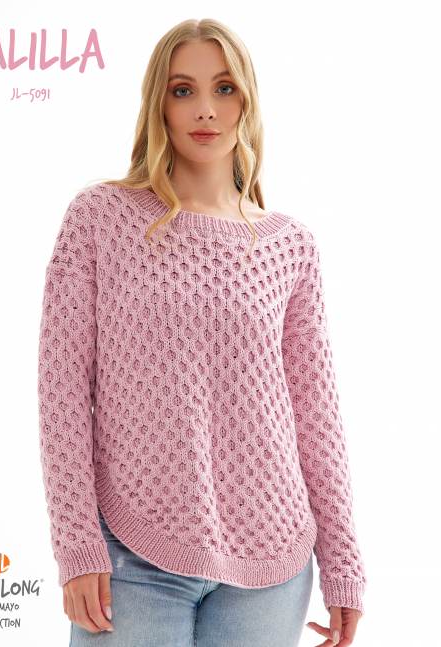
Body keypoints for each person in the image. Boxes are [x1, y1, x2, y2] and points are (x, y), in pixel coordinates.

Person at [37, 17, 367, 647]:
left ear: (247, 101)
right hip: (131, 555)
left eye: (225, 88)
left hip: (272, 564)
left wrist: (343, 564)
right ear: (158, 103)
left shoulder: (289, 246)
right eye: (183, 90)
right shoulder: (100, 219)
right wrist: (76, 544)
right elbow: (63, 392)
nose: (206, 109)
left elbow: (316, 415)